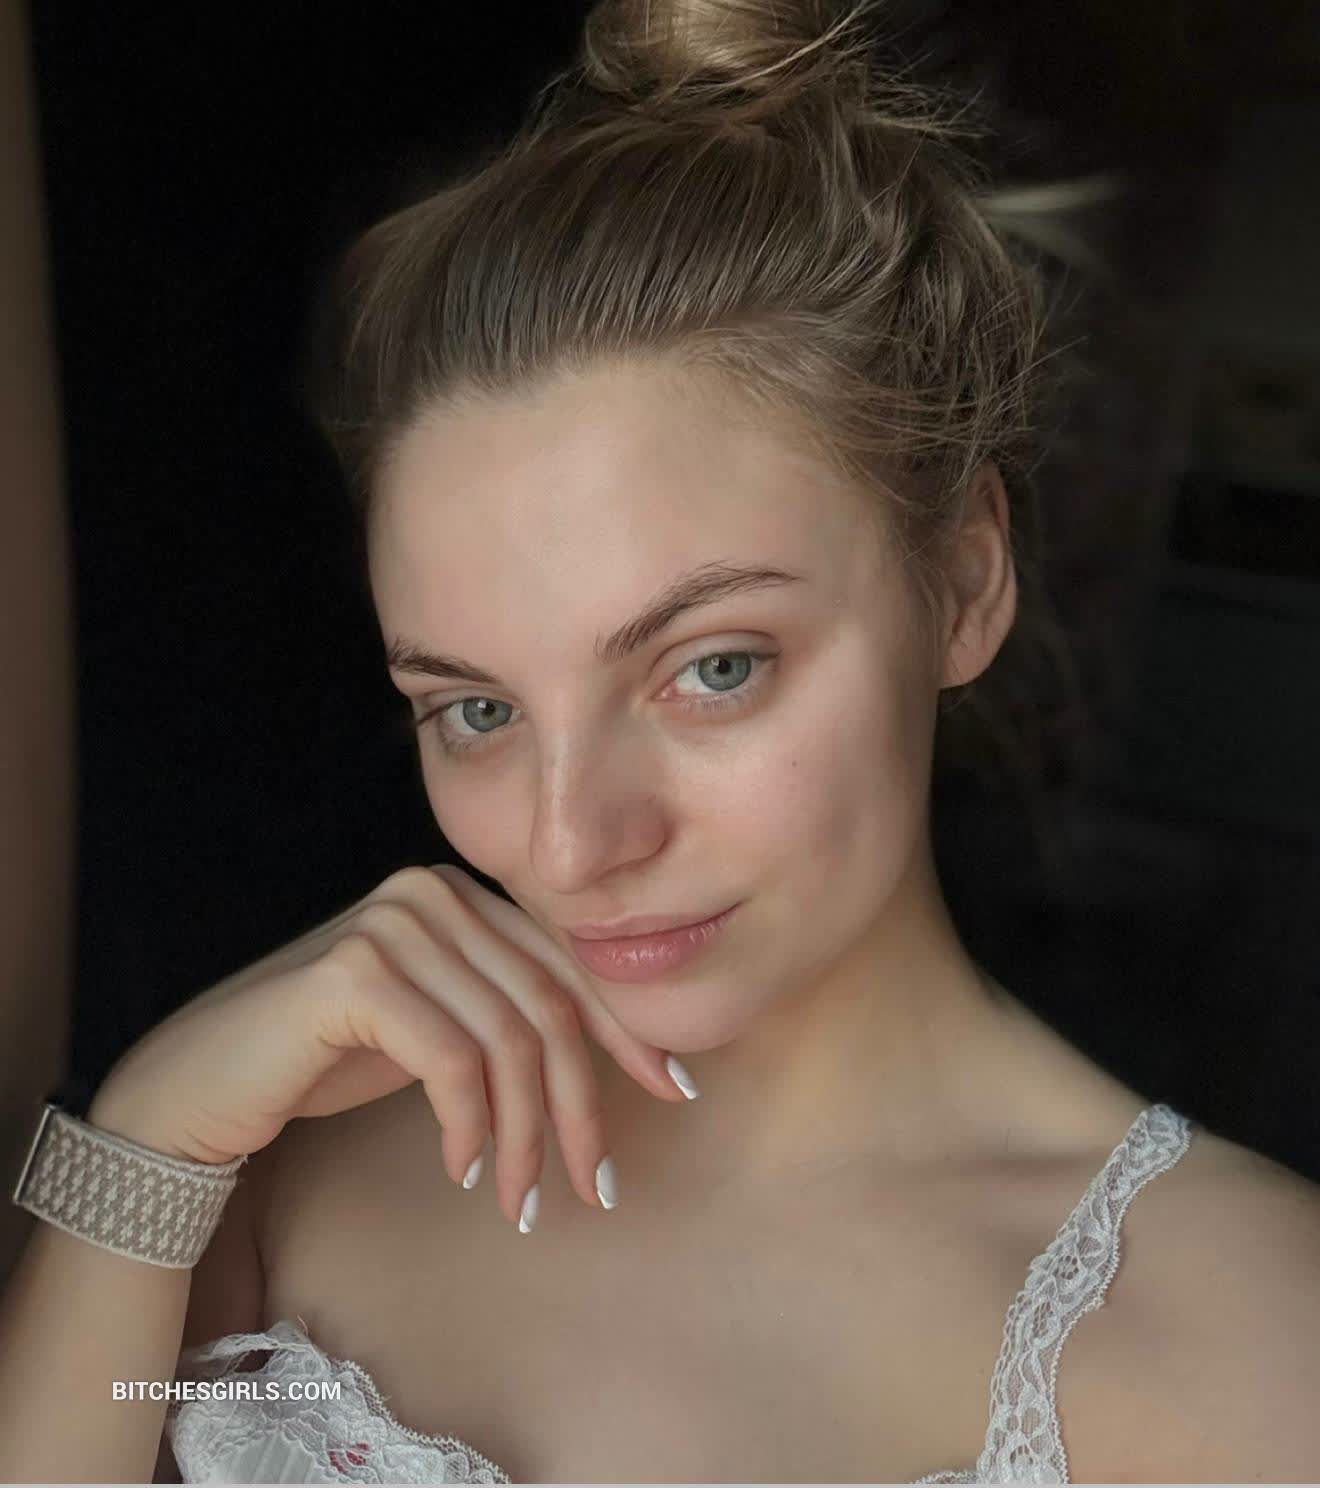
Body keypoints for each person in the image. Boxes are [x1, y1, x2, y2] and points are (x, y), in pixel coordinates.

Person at [3, 0, 1319, 1482]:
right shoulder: (261, 1183)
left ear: (962, 580)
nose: (571, 842)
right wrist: (145, 1142)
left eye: (713, 669)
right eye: (478, 711)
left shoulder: (1257, 1340)